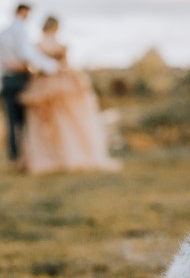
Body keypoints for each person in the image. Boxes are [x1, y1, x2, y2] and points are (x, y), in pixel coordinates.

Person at [19, 16, 121, 174]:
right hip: (62, 83)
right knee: (69, 120)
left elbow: (34, 65)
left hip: (42, 83)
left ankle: (49, 156)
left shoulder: (37, 45)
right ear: (56, 28)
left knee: (43, 123)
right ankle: (70, 155)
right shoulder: (60, 45)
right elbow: (66, 65)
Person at [0, 3, 58, 166]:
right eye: (28, 13)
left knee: (11, 120)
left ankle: (15, 157)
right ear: (22, 12)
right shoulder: (20, 31)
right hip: (20, 79)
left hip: (6, 80)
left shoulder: (1, 33)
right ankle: (25, 156)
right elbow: (28, 54)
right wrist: (51, 66)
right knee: (26, 120)